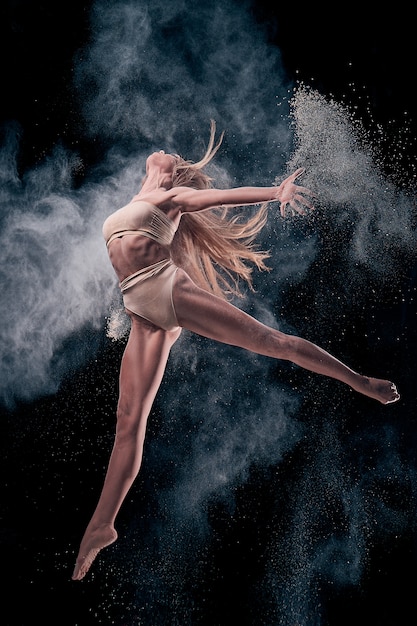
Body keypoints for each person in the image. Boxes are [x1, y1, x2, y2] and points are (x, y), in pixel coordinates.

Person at [72, 122, 400, 581]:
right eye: (164, 152)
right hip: (141, 311)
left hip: (165, 290)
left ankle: (360, 382)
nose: (165, 148)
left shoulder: (170, 199)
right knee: (129, 420)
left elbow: (221, 197)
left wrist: (274, 192)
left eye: (170, 155)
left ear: (171, 175)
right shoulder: (137, 201)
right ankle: (103, 524)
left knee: (274, 343)